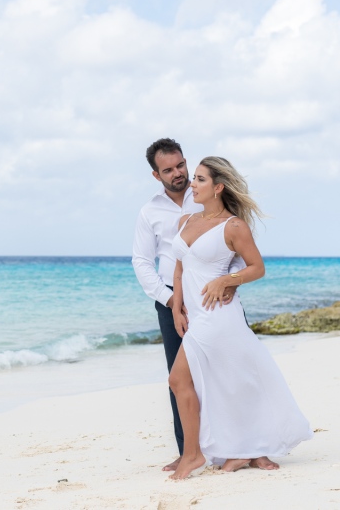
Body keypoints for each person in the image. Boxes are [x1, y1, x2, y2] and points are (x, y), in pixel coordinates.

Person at [167, 156, 313, 480]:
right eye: (194, 178)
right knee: (222, 384)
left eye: (200, 180)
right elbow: (179, 268)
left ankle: (195, 455)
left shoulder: (233, 226)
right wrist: (176, 306)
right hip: (196, 317)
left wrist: (226, 280)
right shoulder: (185, 222)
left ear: (218, 187)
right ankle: (233, 449)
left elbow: (257, 267)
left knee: (184, 380)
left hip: (218, 317)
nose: (192, 183)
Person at [132, 138, 250, 472]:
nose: (179, 174)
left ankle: (247, 445)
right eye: (168, 170)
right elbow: (142, 262)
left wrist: (229, 282)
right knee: (179, 375)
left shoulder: (206, 191)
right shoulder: (149, 212)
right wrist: (171, 301)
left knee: (231, 369)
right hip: (172, 297)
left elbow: (237, 246)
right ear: (157, 175)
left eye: (180, 165)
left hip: (215, 298)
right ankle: (188, 450)